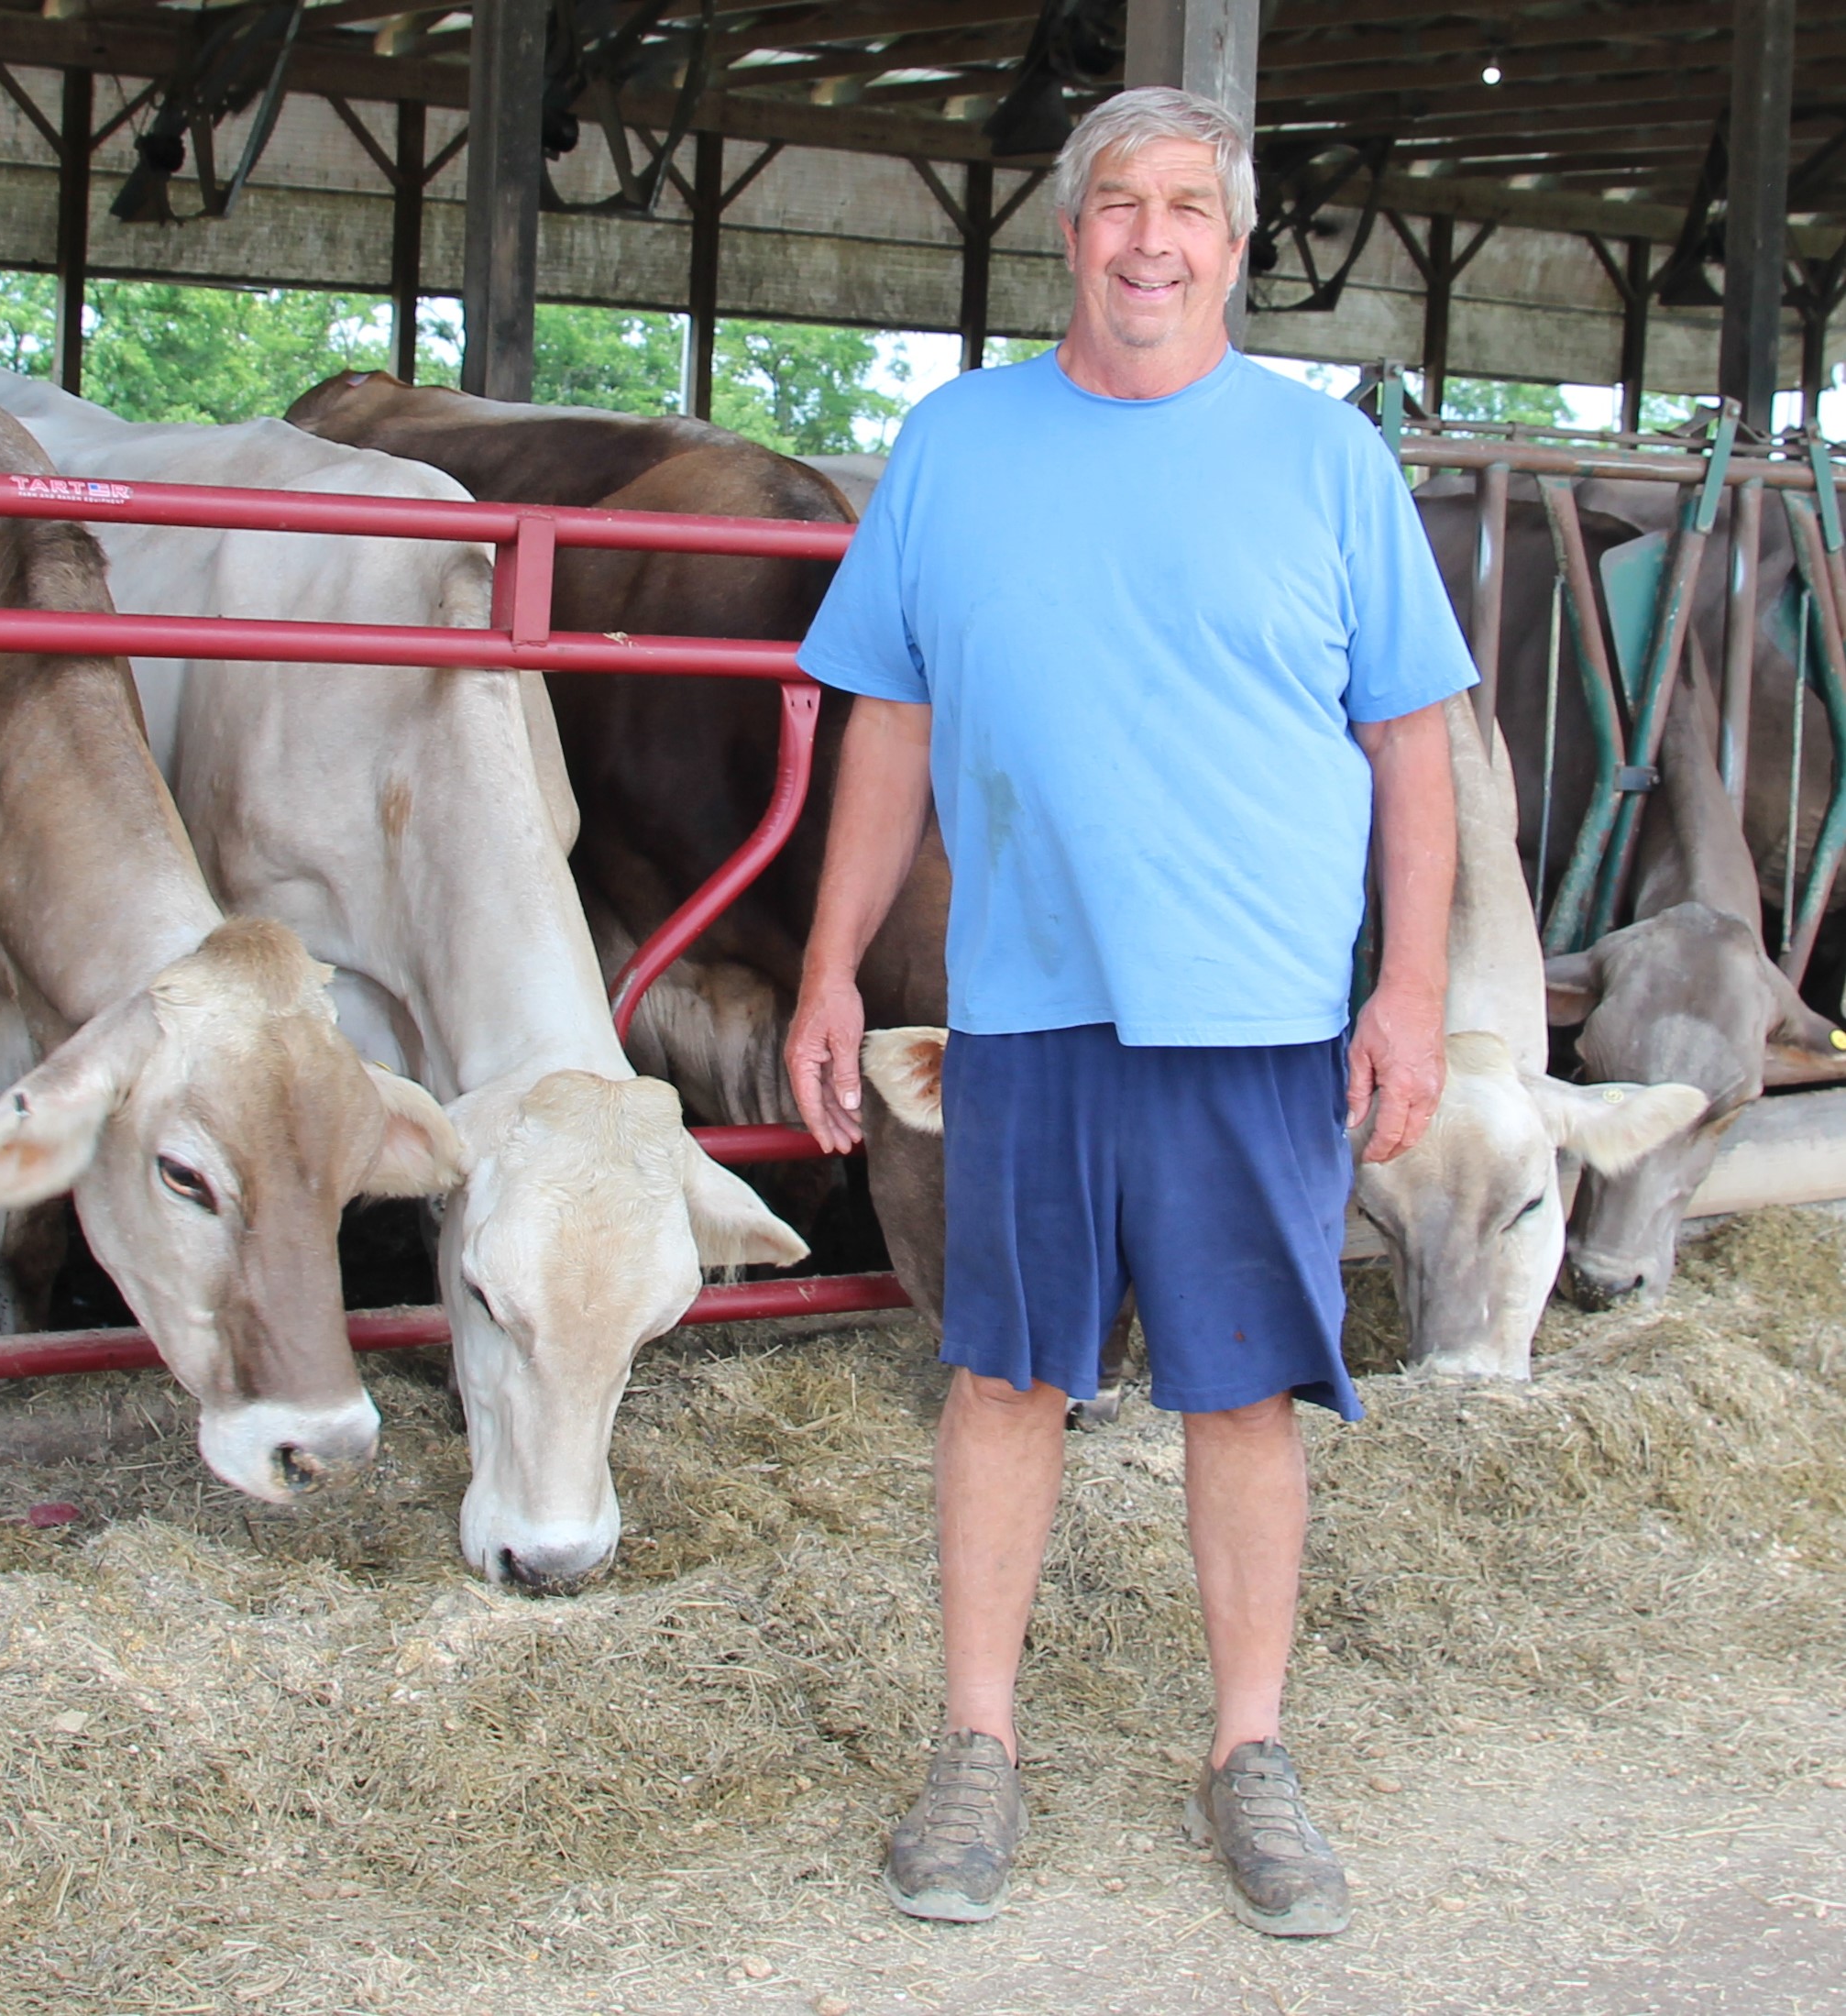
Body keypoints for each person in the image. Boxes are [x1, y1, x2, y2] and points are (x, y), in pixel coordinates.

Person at [783, 85, 1471, 1939]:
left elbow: (1409, 747)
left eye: (1184, 206)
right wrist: (833, 959)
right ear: (1066, 234)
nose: (1145, 238)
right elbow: (888, 722)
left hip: (1254, 1013)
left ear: (1235, 244)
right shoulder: (952, 443)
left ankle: (1247, 1749)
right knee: (1003, 1374)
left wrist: (1402, 991)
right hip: (1027, 1002)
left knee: (1239, 1392)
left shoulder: (1325, 463)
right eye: (1112, 204)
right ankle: (975, 1745)